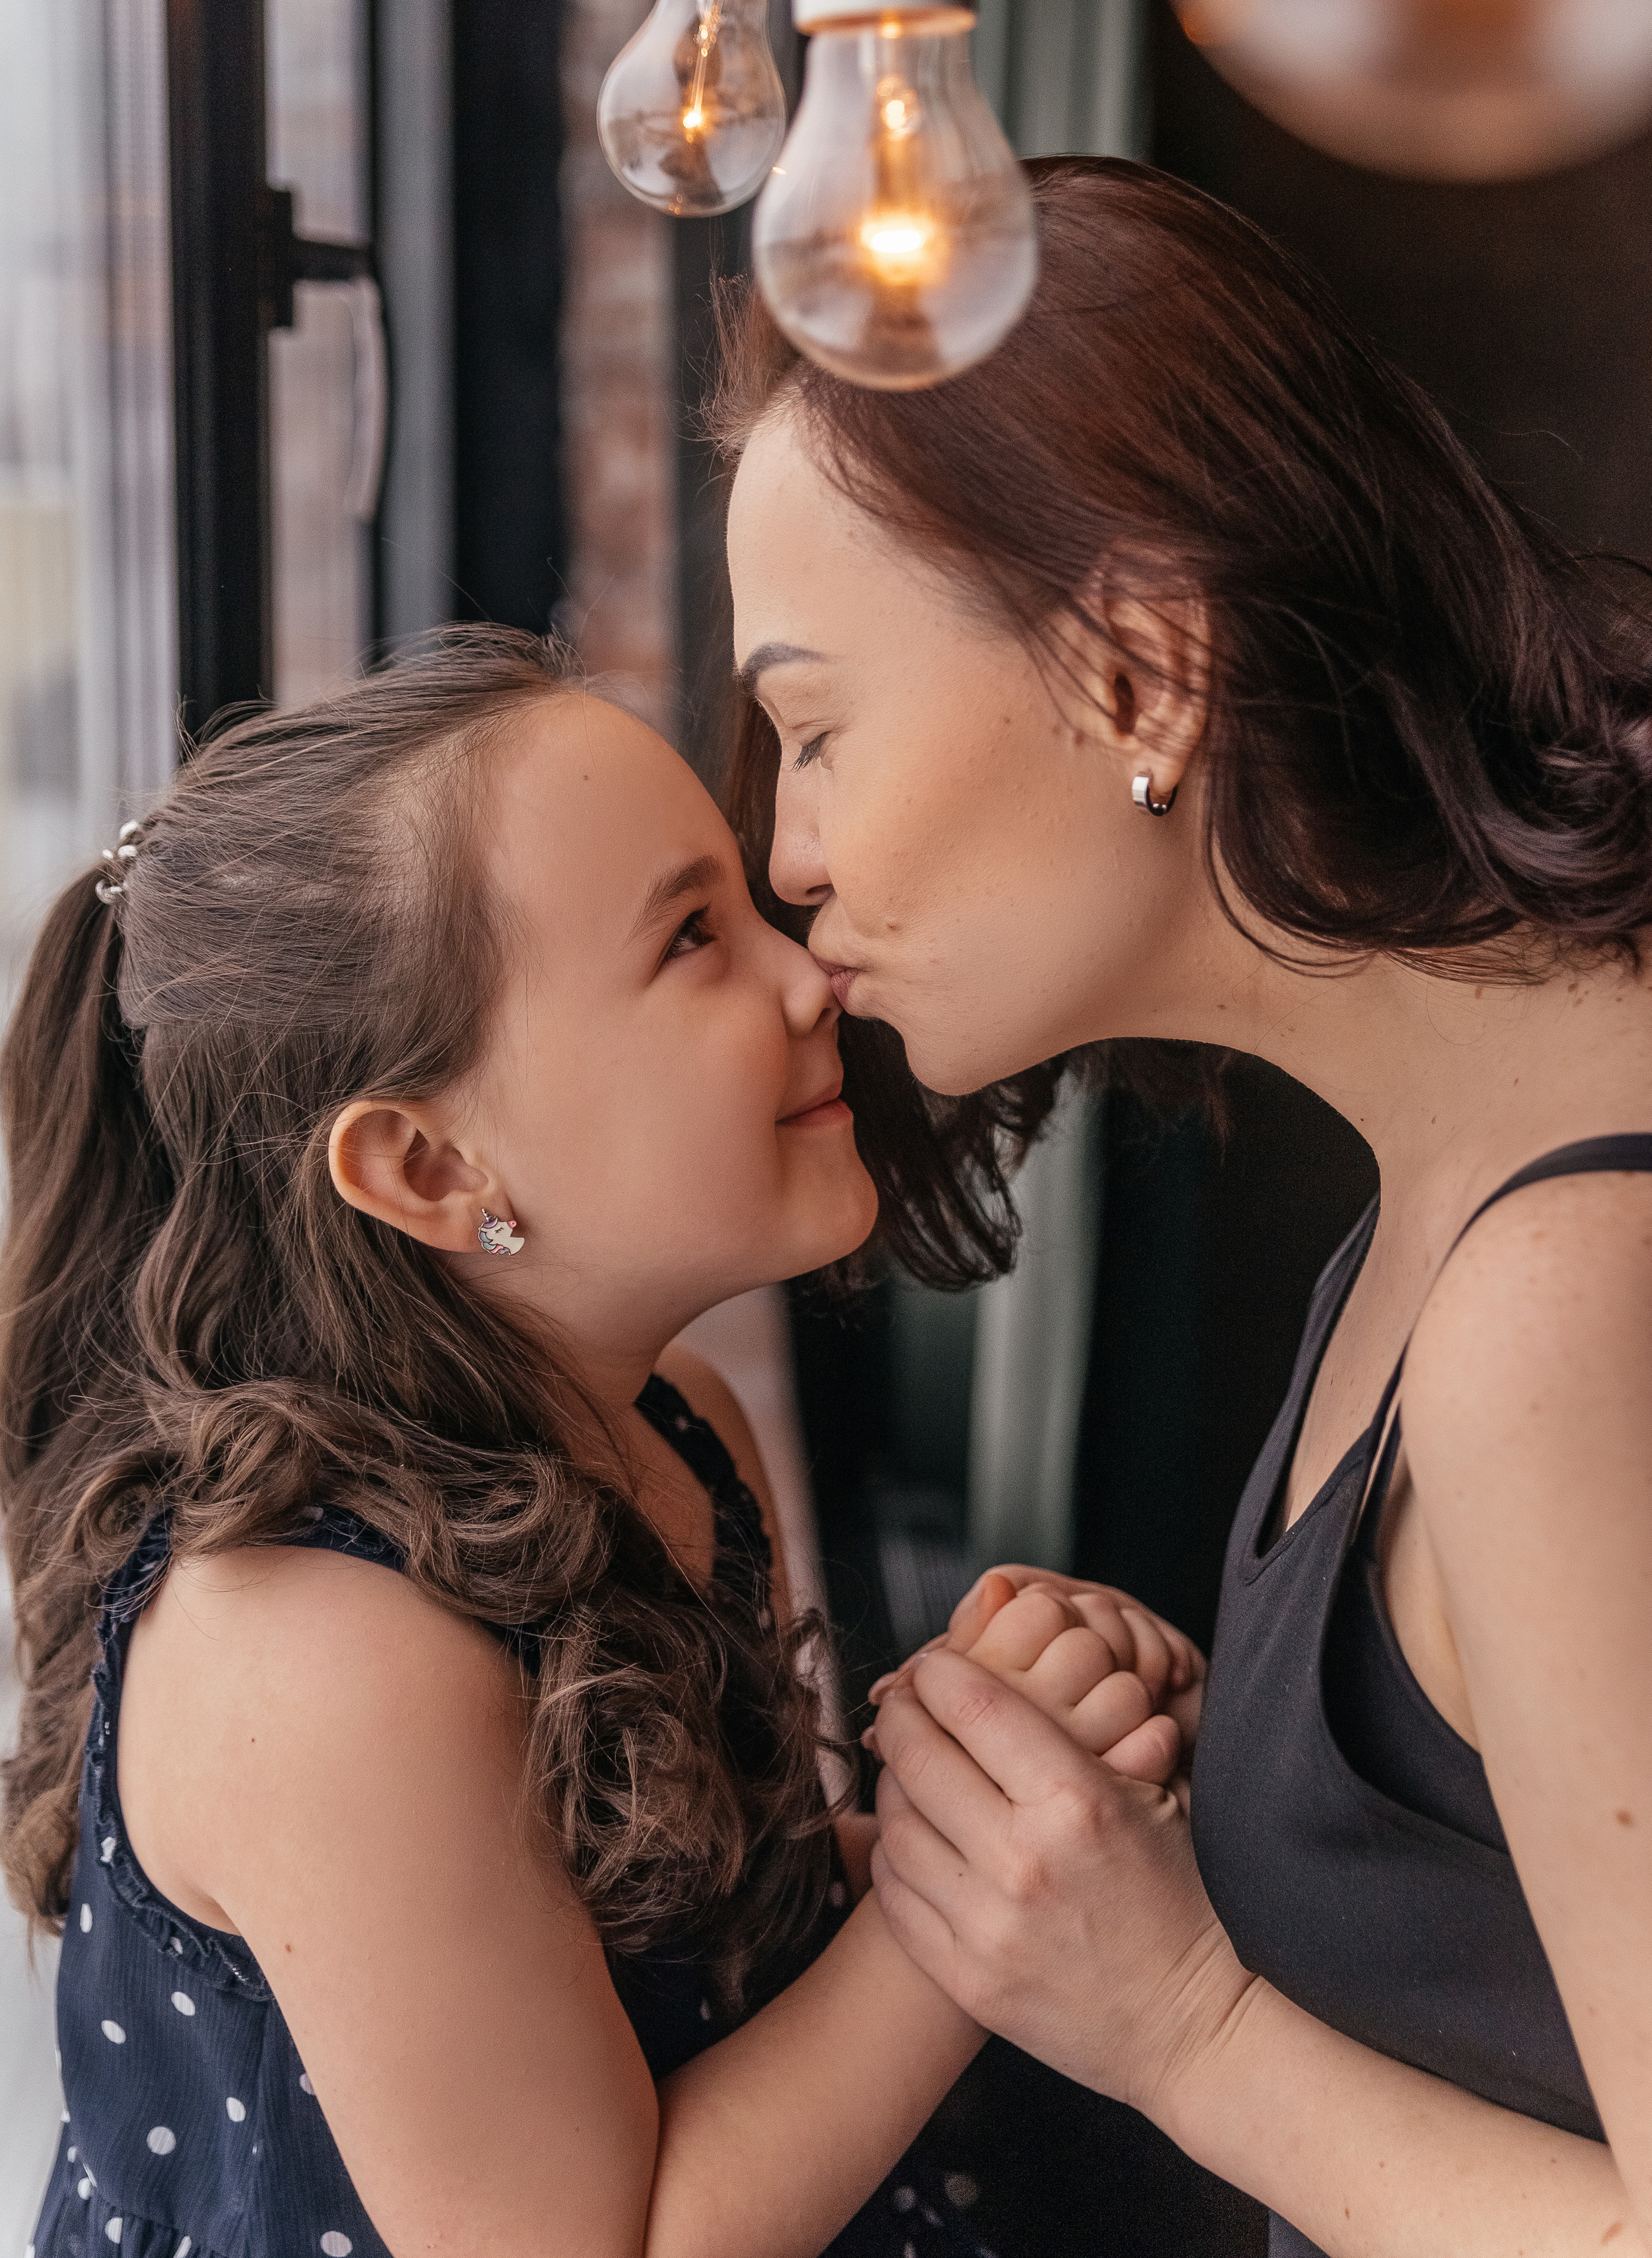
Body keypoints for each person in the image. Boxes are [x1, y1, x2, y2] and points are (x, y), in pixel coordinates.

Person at [720, 155, 1652, 2257]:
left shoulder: (1565, 1290)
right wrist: (1255, 1764)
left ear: (1140, 672)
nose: (790, 854)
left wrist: (1178, 2020)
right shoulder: (1454, 1185)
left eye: (816, 728)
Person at [0, 633, 1187, 2258]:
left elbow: (709, 1965)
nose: (806, 976)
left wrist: (1014, 1773)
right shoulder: (318, 1645)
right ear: (427, 1167)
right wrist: (968, 1892)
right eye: (691, 939)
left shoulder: (675, 1433)